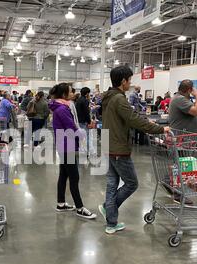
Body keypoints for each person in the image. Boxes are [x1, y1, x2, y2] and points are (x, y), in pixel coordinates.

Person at [97, 66, 169, 235]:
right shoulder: (119, 99)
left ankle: (111, 222)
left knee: (112, 183)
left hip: (109, 145)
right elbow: (134, 120)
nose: (130, 83)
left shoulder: (109, 97)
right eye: (129, 80)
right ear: (123, 81)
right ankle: (109, 209)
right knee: (131, 183)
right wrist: (160, 129)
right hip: (118, 148)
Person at [48, 83, 96, 220]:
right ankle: (80, 208)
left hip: (64, 145)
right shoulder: (62, 109)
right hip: (66, 146)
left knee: (64, 175)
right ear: (64, 95)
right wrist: (82, 135)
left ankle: (61, 203)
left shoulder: (61, 107)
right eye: (70, 92)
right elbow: (71, 128)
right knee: (74, 177)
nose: (73, 94)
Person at [75, 87, 92, 156]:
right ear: (87, 93)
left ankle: (81, 151)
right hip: (83, 121)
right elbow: (86, 112)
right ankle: (86, 152)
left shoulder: (78, 100)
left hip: (78, 121)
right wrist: (89, 121)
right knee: (86, 137)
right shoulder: (85, 101)